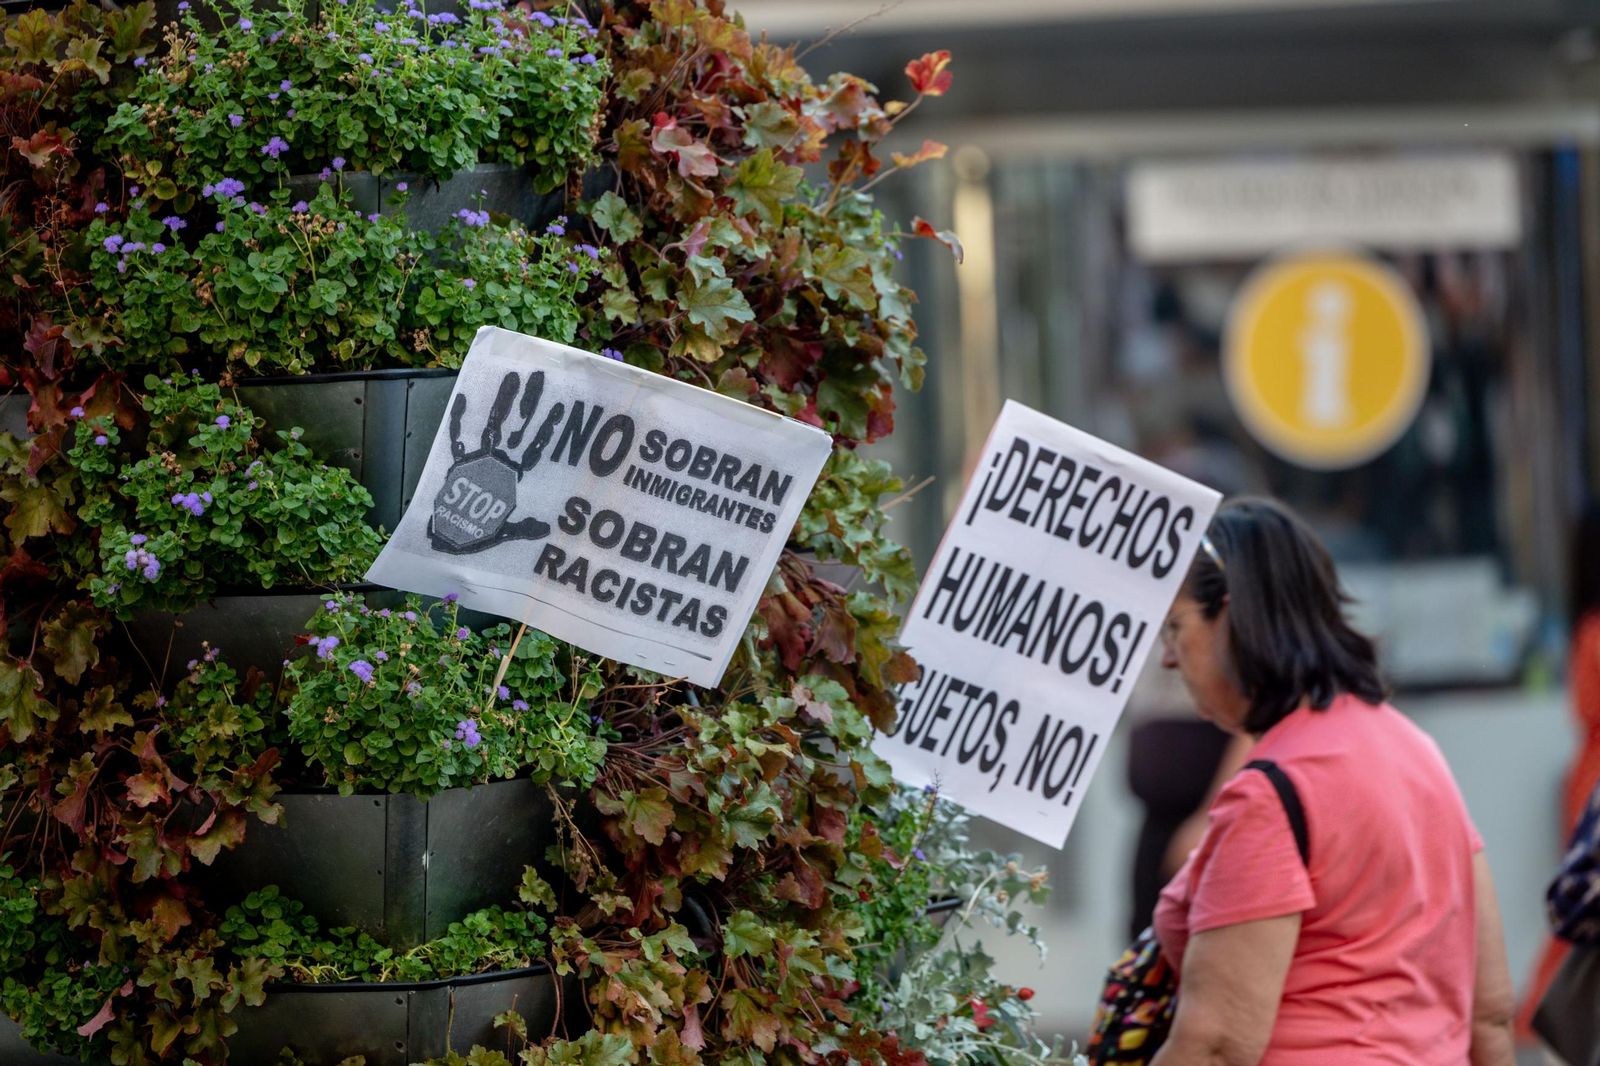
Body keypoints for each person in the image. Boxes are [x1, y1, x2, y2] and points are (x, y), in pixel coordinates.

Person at [1147, 497, 1515, 1066]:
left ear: (1231, 617)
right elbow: (1489, 1010)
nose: (1168, 658)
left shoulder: (1272, 790)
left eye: (1175, 627)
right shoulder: (1416, 751)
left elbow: (1216, 1046)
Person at [1517, 501, 1600, 1042]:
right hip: (1595, 783)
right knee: (1585, 908)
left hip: (1590, 782)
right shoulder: (1595, 630)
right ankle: (1547, 1018)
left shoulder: (1588, 626)